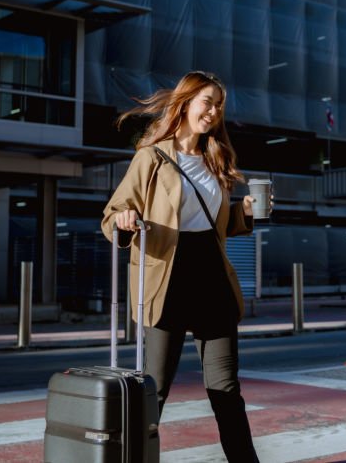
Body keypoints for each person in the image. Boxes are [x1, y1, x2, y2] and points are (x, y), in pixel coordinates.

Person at [102, 71, 261, 462]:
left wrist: (245, 211)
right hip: (166, 280)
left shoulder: (216, 157)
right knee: (154, 392)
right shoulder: (152, 157)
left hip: (212, 280)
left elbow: (216, 225)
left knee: (226, 389)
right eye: (208, 101)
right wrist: (124, 220)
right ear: (186, 102)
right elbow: (112, 214)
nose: (214, 111)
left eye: (219, 105)